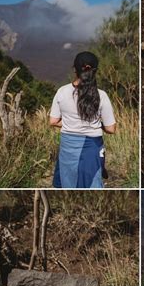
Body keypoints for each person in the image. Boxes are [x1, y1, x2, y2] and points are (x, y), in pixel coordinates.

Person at [50, 51, 116, 188]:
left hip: (67, 145)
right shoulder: (101, 95)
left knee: (67, 180)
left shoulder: (61, 92)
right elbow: (111, 129)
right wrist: (98, 124)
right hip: (92, 146)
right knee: (92, 183)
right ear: (95, 70)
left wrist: (70, 122)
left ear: (75, 69)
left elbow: (53, 121)